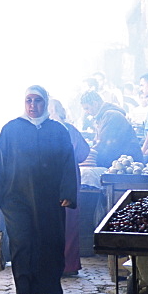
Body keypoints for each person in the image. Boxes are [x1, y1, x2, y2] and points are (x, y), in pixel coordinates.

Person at [0, 86, 79, 294]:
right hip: (16, 199)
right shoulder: (11, 129)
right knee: (21, 245)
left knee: (46, 246)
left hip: (50, 201)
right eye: (29, 100)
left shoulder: (58, 131)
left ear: (45, 103)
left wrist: (68, 192)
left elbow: (69, 163)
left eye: (38, 101)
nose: (33, 105)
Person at [48, 99, 90, 276]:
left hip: (52, 180)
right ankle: (68, 265)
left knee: (56, 222)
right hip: (68, 179)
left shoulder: (49, 130)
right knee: (69, 222)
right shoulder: (69, 129)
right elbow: (83, 153)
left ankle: (56, 264)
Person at [79, 90, 144, 168]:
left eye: (87, 108)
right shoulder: (101, 118)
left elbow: (105, 146)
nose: (86, 112)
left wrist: (87, 154)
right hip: (117, 164)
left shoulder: (111, 116)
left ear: (95, 104)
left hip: (128, 166)